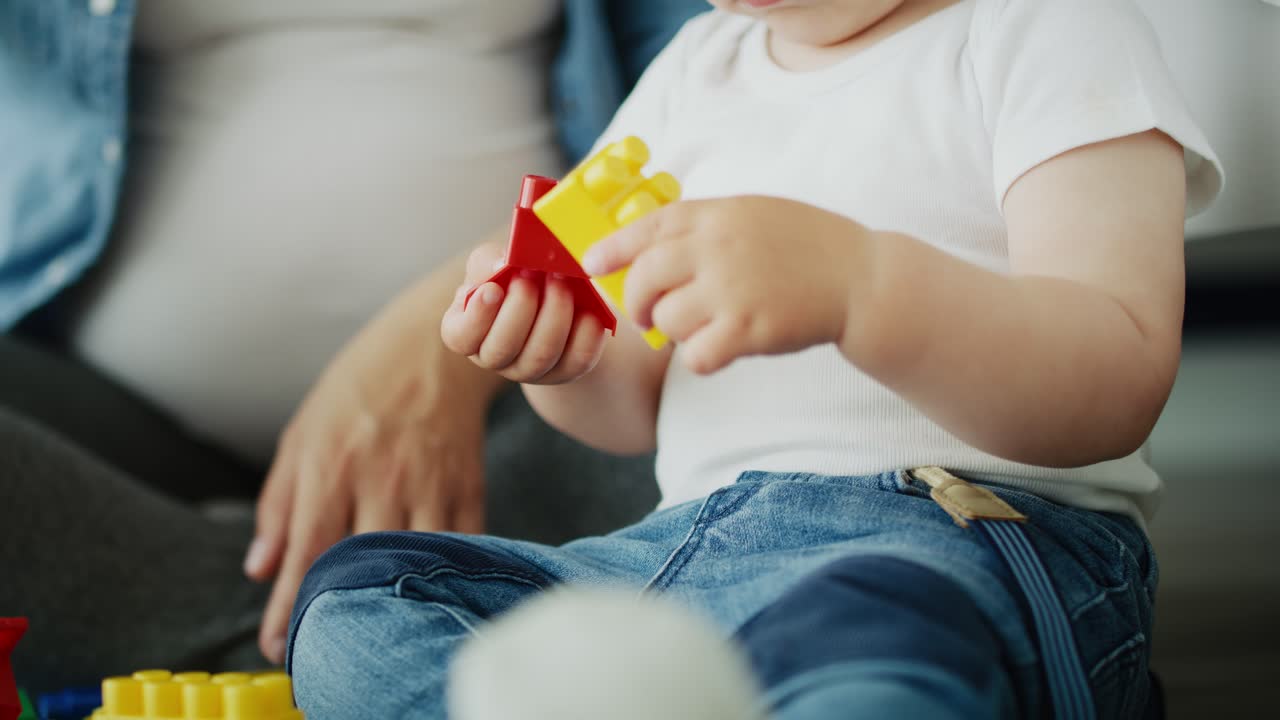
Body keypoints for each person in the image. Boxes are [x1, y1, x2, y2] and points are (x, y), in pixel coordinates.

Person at [285, 0, 1224, 717]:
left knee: (864, 642)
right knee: (363, 602)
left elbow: (1113, 377)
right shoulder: (695, 69)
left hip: (950, 536)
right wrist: (561, 356)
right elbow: (628, 411)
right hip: (690, 551)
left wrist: (861, 286)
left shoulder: (1047, 28)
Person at [0, 0, 705, 690]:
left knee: (727, 402)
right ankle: (362, 607)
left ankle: (253, 621)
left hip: (513, 417)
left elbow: (712, 122)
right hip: (104, 424)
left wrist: (437, 343)